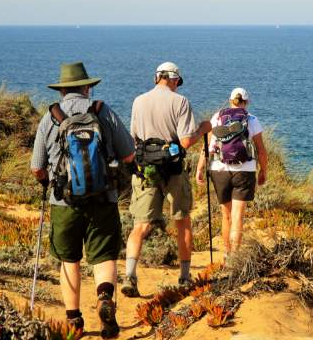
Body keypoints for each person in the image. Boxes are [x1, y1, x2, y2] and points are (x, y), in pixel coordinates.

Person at [30, 62, 135, 338]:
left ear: (63, 90)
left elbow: (37, 167)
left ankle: (74, 321)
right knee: (104, 256)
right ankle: (104, 300)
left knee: (70, 260)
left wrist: (47, 183)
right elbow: (128, 154)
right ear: (87, 87)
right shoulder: (102, 111)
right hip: (103, 199)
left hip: (64, 203)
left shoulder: (49, 117)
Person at [122, 61, 211, 297]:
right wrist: (203, 128)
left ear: (156, 77)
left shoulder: (138, 101)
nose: (177, 86)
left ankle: (130, 275)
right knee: (182, 222)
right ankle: (184, 277)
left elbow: (133, 139)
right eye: (177, 82)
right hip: (173, 171)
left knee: (140, 226)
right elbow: (185, 142)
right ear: (172, 79)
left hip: (146, 170)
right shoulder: (180, 102)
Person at [196, 87, 268, 258]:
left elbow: (207, 148)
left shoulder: (217, 117)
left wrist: (199, 168)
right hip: (244, 171)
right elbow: (261, 151)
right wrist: (263, 171)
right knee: (237, 217)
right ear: (246, 102)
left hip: (219, 170)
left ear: (230, 101)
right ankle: (235, 257)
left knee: (226, 216)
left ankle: (227, 253)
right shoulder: (252, 120)